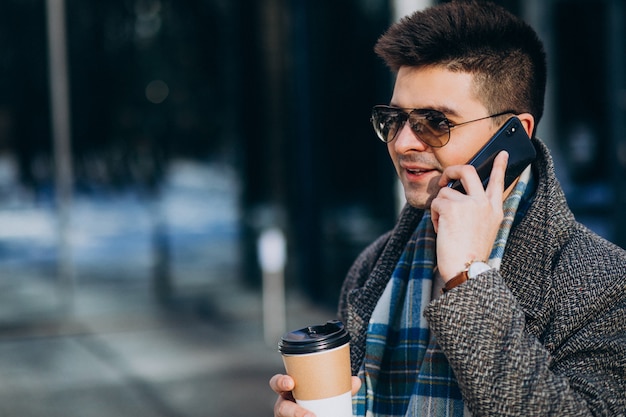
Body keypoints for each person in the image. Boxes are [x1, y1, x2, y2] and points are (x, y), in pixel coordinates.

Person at [270, 1, 626, 416]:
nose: (403, 143)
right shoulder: (372, 269)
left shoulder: (606, 285)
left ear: (514, 134)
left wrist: (468, 279)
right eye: (394, 119)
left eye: (435, 122)